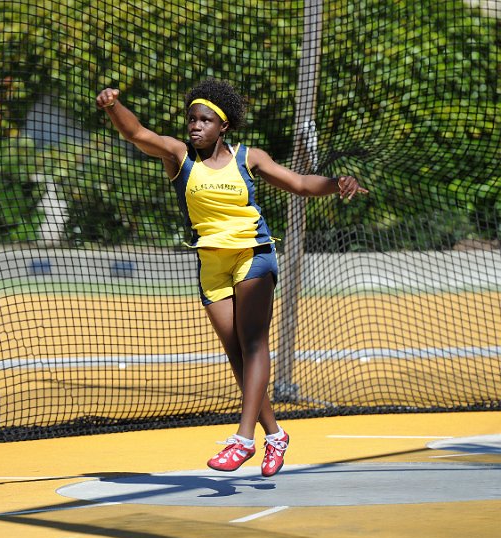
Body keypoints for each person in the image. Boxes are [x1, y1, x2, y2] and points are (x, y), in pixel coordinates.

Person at [96, 78, 367, 477]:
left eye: (204, 120)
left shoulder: (249, 157)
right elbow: (137, 133)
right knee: (237, 354)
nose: (195, 126)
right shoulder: (179, 156)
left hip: (253, 255)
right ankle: (275, 435)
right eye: (191, 119)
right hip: (212, 264)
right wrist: (111, 106)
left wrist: (336, 184)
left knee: (253, 343)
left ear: (223, 126)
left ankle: (243, 440)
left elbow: (298, 183)